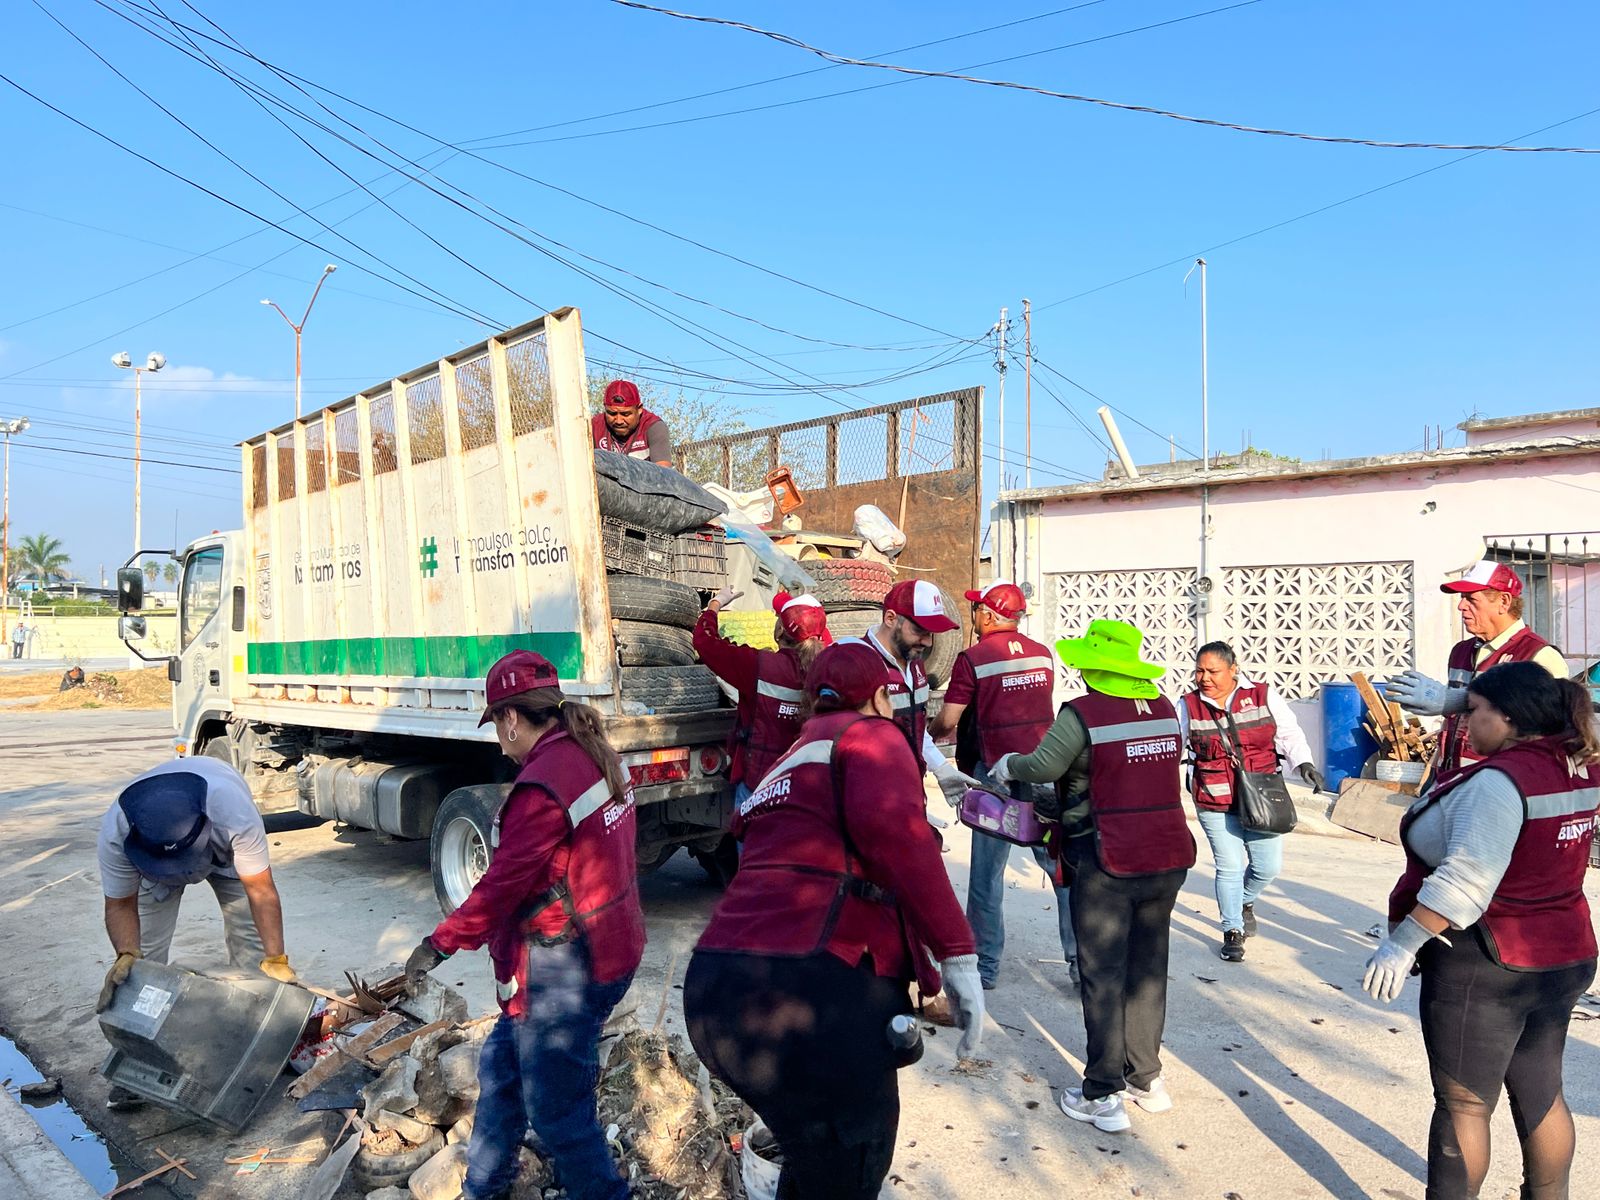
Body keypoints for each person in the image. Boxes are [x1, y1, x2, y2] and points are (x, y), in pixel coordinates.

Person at [684, 641, 984, 1199]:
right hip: (808, 996)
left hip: (716, 994)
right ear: (879, 696)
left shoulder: (794, 755)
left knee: (812, 1158)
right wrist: (959, 955)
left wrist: (924, 979)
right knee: (853, 1156)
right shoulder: (870, 736)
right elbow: (900, 840)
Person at [405, 651, 643, 1200]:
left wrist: (439, 943)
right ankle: (484, 1186)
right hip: (610, 945)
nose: (498, 741)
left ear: (511, 719)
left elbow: (500, 888)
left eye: (497, 726)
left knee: (559, 1115)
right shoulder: (598, 754)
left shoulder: (541, 787)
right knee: (503, 1070)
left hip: (566, 968)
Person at [1365, 661, 1600, 1200]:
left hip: (1488, 961)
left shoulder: (1499, 783)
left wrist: (1402, 945)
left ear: (1510, 716)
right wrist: (1462, 701)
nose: (1464, 726)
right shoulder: (1580, 762)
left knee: (1465, 1105)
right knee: (1542, 1092)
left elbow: (1466, 882)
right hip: (1562, 951)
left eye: (1472, 712)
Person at [990, 620, 1195, 1133]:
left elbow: (1042, 766)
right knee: (1147, 968)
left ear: (1095, 666)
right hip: (1166, 855)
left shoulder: (1083, 714)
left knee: (1102, 974)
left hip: (1108, 858)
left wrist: (1007, 764)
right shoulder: (1165, 708)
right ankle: (1146, 1079)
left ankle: (1102, 1094)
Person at [929, 580, 1076, 991]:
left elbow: (949, 720)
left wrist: (925, 731)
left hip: (997, 777)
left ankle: (987, 968)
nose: (974, 615)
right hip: (1045, 773)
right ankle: (1081, 966)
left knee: (987, 876)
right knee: (1060, 870)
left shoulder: (973, 658)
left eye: (977, 609)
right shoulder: (1043, 655)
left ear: (990, 616)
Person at [97, 757, 293, 1012]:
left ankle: (256, 1017)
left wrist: (275, 958)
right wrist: (126, 952)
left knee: (254, 948)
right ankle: (141, 1025)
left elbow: (260, 890)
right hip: (150, 868)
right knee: (140, 965)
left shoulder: (233, 814)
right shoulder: (117, 832)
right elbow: (121, 904)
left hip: (223, 851)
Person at [1179, 640, 1324, 963]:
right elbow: (1176, 745)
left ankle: (1244, 901)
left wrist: (1305, 764)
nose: (1204, 678)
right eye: (1199, 670)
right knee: (1228, 866)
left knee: (1267, 867)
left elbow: (1289, 734)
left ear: (1233, 670)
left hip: (1261, 792)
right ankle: (1232, 930)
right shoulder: (1188, 705)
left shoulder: (1262, 694)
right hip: (1213, 795)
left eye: (1213, 671)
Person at [1389, 560, 1567, 775]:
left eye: (1471, 599)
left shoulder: (1538, 655)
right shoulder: (1461, 652)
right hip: (1451, 776)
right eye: (1462, 598)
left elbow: (1548, 732)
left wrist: (1456, 701)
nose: (1461, 606)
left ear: (1504, 601)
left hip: (1500, 782)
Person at [692, 586, 831, 805]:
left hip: (760, 783)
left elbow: (706, 642)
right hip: (808, 782)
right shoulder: (830, 668)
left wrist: (715, 604)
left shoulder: (759, 666)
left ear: (779, 631)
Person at [847, 578, 979, 805]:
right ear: (890, 618)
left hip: (908, 792)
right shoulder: (855, 662)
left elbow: (916, 730)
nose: (927, 642)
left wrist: (940, 767)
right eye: (920, 631)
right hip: (868, 797)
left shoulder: (915, 663)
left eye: (932, 634)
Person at [590, 379, 673, 465]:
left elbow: (662, 472)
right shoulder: (594, 427)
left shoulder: (654, 427)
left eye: (625, 414)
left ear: (639, 409)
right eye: (612, 414)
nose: (619, 421)